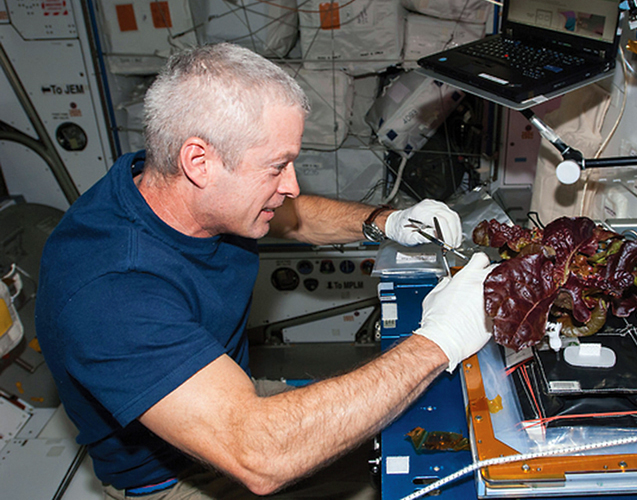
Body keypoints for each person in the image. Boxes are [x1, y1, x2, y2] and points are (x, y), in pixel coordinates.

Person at [35, 43, 495, 499]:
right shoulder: (112, 289)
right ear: (199, 162)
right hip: (178, 473)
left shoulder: (175, 189)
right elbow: (261, 455)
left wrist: (386, 221)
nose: (291, 185)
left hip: (230, 392)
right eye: (276, 167)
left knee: (428, 436)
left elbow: (293, 215)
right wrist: (439, 342)